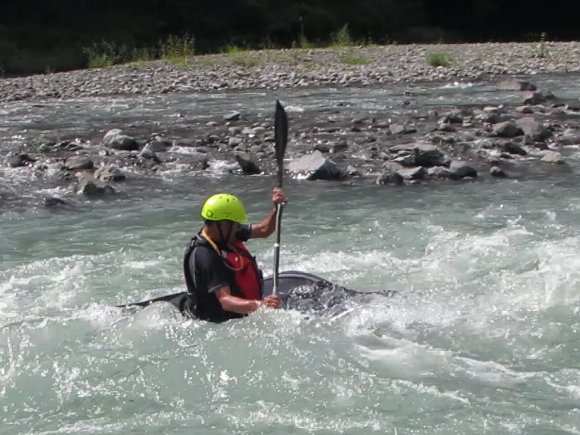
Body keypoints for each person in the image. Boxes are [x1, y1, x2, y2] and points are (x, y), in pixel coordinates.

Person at [183, 187, 287, 322]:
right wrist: (262, 305)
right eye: (235, 223)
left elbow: (264, 230)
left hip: (245, 308)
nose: (238, 227)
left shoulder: (225, 233)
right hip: (219, 322)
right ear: (222, 223)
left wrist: (277, 208)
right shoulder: (205, 255)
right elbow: (226, 301)